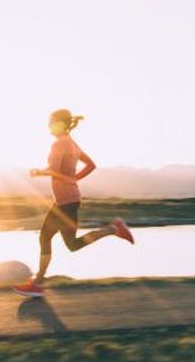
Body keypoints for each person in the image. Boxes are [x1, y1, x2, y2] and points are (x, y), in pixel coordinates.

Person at [12, 108, 134, 297]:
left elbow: (54, 170)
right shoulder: (73, 144)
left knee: (46, 237)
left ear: (60, 124)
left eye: (51, 122)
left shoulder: (59, 144)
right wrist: (74, 178)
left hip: (65, 202)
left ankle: (38, 283)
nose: (48, 126)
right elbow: (91, 165)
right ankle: (113, 229)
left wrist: (38, 172)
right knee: (71, 245)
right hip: (68, 200)